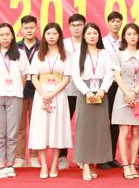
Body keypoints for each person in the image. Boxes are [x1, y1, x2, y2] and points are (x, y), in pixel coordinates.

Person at [0, 23, 28, 179]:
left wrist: (17, 89)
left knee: (12, 133)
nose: (5, 38)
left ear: (12, 36)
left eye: (8, 34)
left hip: (15, 96)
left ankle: (10, 164)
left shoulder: (20, 54)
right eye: (1, 35)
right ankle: (1, 165)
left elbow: (24, 76)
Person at [29, 23, 72, 179]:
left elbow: (67, 78)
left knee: (57, 128)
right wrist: (44, 95)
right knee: (41, 128)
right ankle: (43, 165)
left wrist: (52, 94)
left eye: (54, 33)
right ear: (44, 36)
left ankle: (54, 164)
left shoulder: (65, 55)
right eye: (48, 34)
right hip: (41, 94)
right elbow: (34, 77)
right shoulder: (38, 54)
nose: (51, 36)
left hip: (58, 95)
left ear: (59, 35)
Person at [72, 22, 113, 182]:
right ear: (84, 36)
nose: (92, 36)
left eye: (95, 33)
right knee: (85, 130)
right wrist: (87, 92)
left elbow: (109, 73)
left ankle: (93, 162)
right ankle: (85, 165)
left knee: (99, 130)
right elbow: (76, 76)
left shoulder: (105, 53)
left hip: (102, 92)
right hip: (85, 92)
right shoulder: (78, 54)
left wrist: (103, 90)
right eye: (89, 33)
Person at [111, 23, 139, 179]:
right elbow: (117, 76)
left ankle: (133, 164)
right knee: (124, 131)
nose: (132, 37)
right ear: (124, 37)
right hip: (122, 95)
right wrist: (127, 93)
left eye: (135, 34)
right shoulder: (118, 54)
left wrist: (135, 92)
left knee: (136, 131)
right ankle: (126, 165)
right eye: (129, 34)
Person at [59, 13, 85, 170]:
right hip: (67, 90)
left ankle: (82, 157)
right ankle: (62, 157)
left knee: (83, 125)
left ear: (84, 26)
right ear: (69, 27)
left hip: (84, 90)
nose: (76, 28)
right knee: (64, 124)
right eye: (74, 25)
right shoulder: (63, 44)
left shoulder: (88, 42)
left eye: (79, 25)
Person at [99, 11, 124, 169]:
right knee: (103, 121)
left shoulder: (125, 41)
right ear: (108, 23)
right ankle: (101, 158)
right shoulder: (101, 42)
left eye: (118, 21)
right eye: (113, 21)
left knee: (115, 121)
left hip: (120, 85)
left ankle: (111, 156)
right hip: (105, 85)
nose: (115, 24)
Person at [15, 15, 40, 168]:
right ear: (21, 29)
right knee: (20, 127)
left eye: (32, 28)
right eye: (26, 28)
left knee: (36, 125)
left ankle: (34, 156)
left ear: (36, 28)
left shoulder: (42, 46)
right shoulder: (15, 46)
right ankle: (19, 157)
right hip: (20, 90)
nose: (29, 30)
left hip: (38, 90)